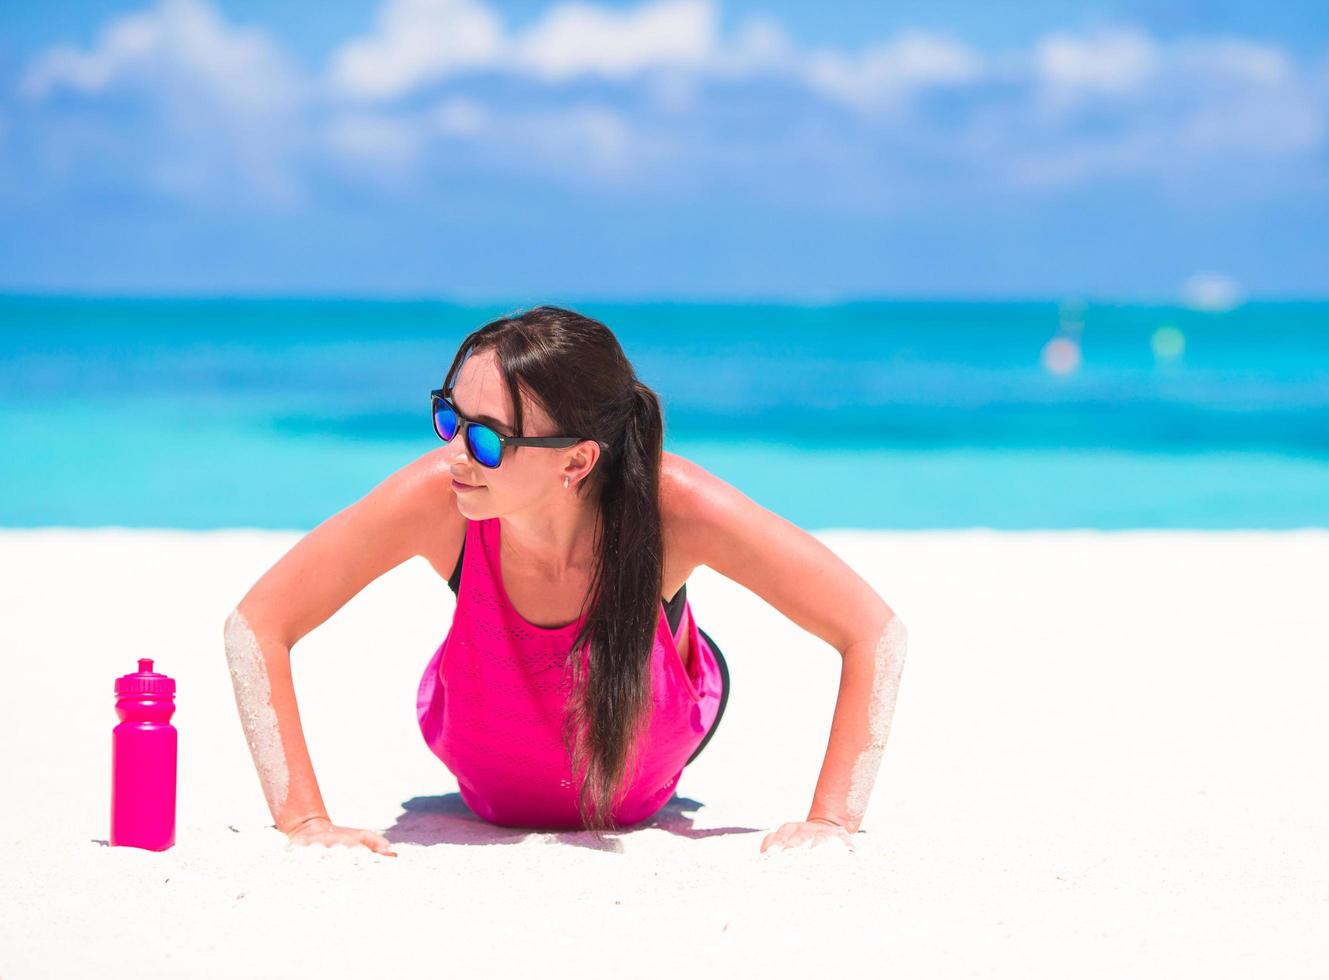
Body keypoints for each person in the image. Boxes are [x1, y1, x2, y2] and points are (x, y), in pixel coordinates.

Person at [223, 305, 907, 857]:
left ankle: (676, 636)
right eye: (447, 416)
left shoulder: (679, 508)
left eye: (487, 438)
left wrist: (832, 823)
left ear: (576, 461)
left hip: (651, 729)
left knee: (668, 645)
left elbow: (872, 630)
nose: (454, 452)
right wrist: (305, 822)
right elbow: (257, 625)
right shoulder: (441, 500)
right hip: (485, 711)